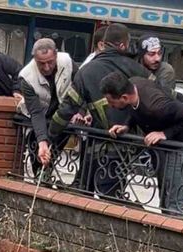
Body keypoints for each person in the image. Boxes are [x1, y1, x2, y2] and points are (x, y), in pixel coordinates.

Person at [48, 23, 150, 195]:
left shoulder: (86, 71)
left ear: (103, 43)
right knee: (111, 199)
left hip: (94, 145)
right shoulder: (139, 69)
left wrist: (50, 136)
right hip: (125, 148)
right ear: (123, 45)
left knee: (83, 195)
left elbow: (66, 109)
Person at [102, 72, 183, 215]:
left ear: (124, 97)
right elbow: (134, 111)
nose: (110, 106)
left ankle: (176, 227)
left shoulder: (156, 105)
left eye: (111, 102)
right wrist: (126, 126)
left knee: (173, 195)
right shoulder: (133, 84)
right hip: (173, 143)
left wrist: (164, 134)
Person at [17, 38, 73, 175]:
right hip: (41, 114)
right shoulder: (26, 77)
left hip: (63, 113)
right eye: (41, 63)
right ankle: (40, 174)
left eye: (50, 62)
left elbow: (80, 87)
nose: (47, 67)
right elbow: (36, 112)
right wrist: (42, 142)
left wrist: (81, 111)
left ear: (56, 54)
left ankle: (46, 175)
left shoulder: (66, 60)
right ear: (34, 59)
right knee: (36, 143)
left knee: (59, 138)